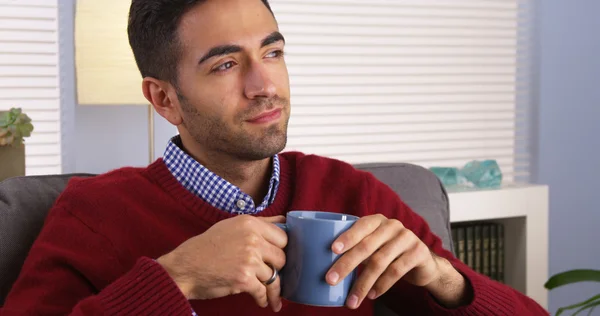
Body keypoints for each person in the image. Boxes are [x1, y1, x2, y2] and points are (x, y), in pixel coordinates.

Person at [1, 0, 549, 315]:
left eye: (273, 52)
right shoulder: (94, 215)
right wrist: (175, 278)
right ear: (164, 98)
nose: (266, 84)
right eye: (225, 65)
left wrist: (443, 279)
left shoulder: (353, 195)